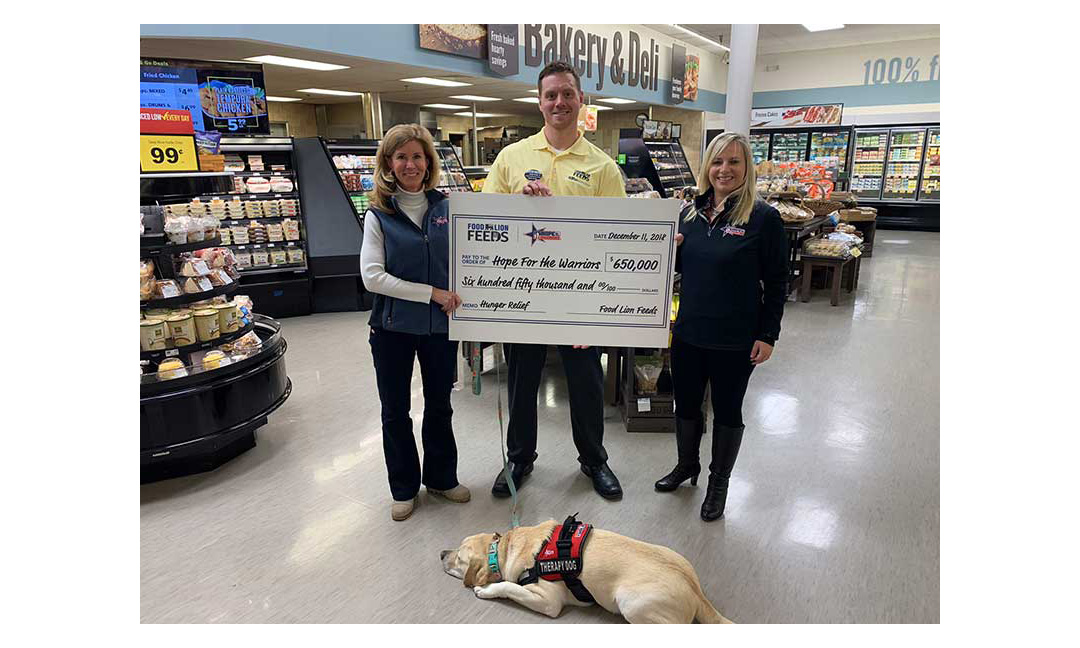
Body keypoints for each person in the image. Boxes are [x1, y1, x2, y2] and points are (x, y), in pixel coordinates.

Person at [482, 61, 628, 500]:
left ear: (581, 100)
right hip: (524, 293)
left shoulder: (602, 167)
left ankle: (594, 461)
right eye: (551, 95)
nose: (559, 102)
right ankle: (520, 458)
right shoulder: (512, 158)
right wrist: (515, 202)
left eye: (567, 93)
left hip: (580, 298)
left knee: (585, 383)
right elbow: (485, 220)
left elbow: (617, 236)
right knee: (522, 380)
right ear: (539, 102)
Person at [654, 132, 788, 521]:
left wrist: (768, 334)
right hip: (690, 332)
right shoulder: (688, 214)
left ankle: (718, 484)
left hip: (735, 339)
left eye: (734, 162)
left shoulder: (764, 219)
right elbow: (672, 269)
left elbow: (778, 281)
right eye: (717, 162)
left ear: (747, 168)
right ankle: (686, 465)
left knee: (728, 410)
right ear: (706, 167)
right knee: (686, 404)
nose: (724, 170)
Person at [361, 124, 469, 521]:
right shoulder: (378, 214)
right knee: (396, 410)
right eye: (401, 156)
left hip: (440, 328)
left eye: (417, 156)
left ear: (429, 163)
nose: (410, 164)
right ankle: (404, 487)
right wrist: (432, 293)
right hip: (392, 330)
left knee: (440, 406)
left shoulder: (448, 208)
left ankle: (441, 478)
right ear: (389, 163)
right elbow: (372, 277)